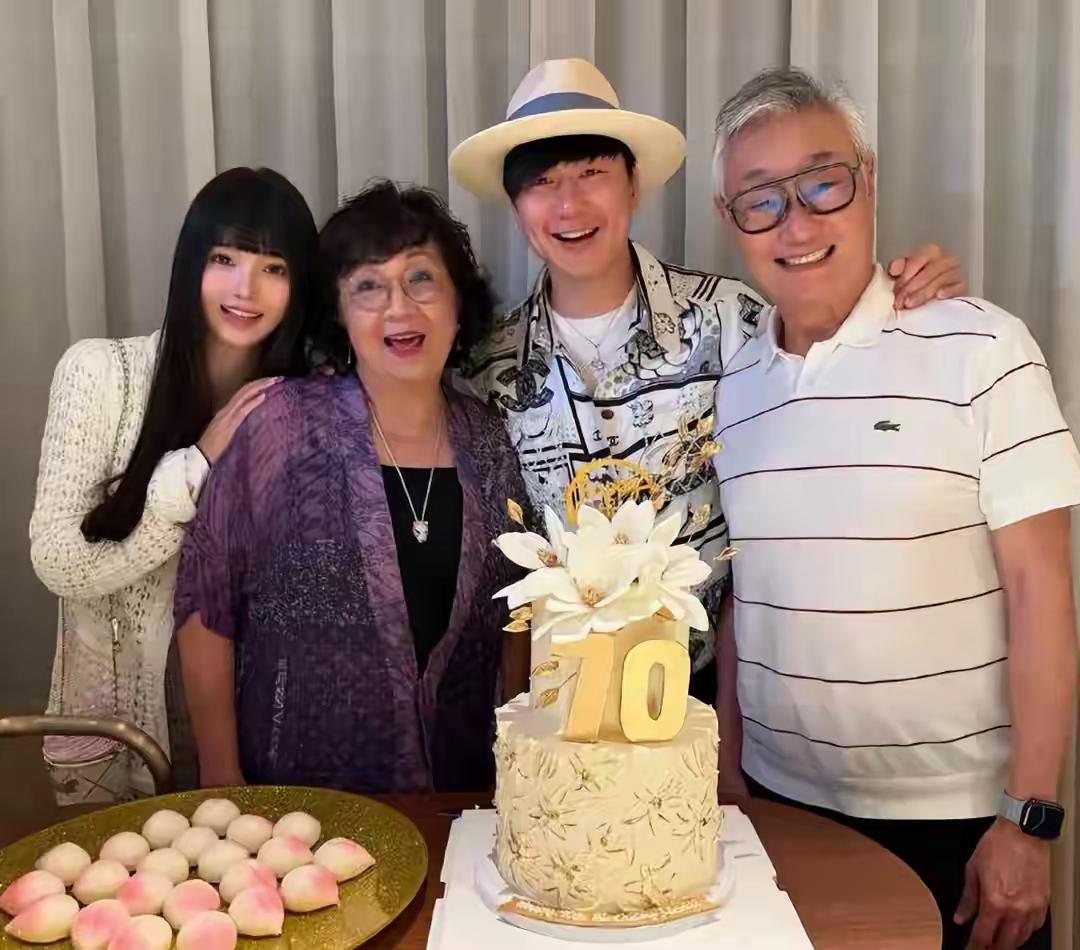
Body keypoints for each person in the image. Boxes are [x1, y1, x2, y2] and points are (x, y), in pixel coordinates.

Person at [448, 57, 967, 700]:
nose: (569, 204)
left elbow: (844, 400)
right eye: (542, 182)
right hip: (559, 702)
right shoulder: (483, 371)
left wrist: (907, 292)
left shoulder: (734, 322)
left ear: (634, 185)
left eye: (592, 173)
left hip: (721, 693)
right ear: (516, 204)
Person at [711, 67, 1080, 950]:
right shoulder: (737, 384)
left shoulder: (983, 347)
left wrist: (1029, 818)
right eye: (761, 199)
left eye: (822, 183)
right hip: (781, 812)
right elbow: (747, 591)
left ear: (868, 182)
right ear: (731, 220)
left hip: (959, 822)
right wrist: (727, 767)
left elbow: (1042, 593)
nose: (796, 222)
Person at [174, 180, 530, 794]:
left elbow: (516, 614)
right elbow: (207, 600)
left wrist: (521, 765)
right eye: (368, 286)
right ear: (339, 312)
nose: (399, 308)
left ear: (457, 302)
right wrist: (221, 774)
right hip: (298, 805)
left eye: (421, 279)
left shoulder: (489, 441)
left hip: (460, 798)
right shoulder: (281, 425)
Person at [29, 167, 319, 802]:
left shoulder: (302, 403)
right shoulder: (100, 373)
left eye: (273, 267)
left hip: (256, 730)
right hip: (119, 739)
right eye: (224, 259)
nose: (245, 288)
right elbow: (58, 562)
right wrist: (197, 464)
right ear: (191, 265)